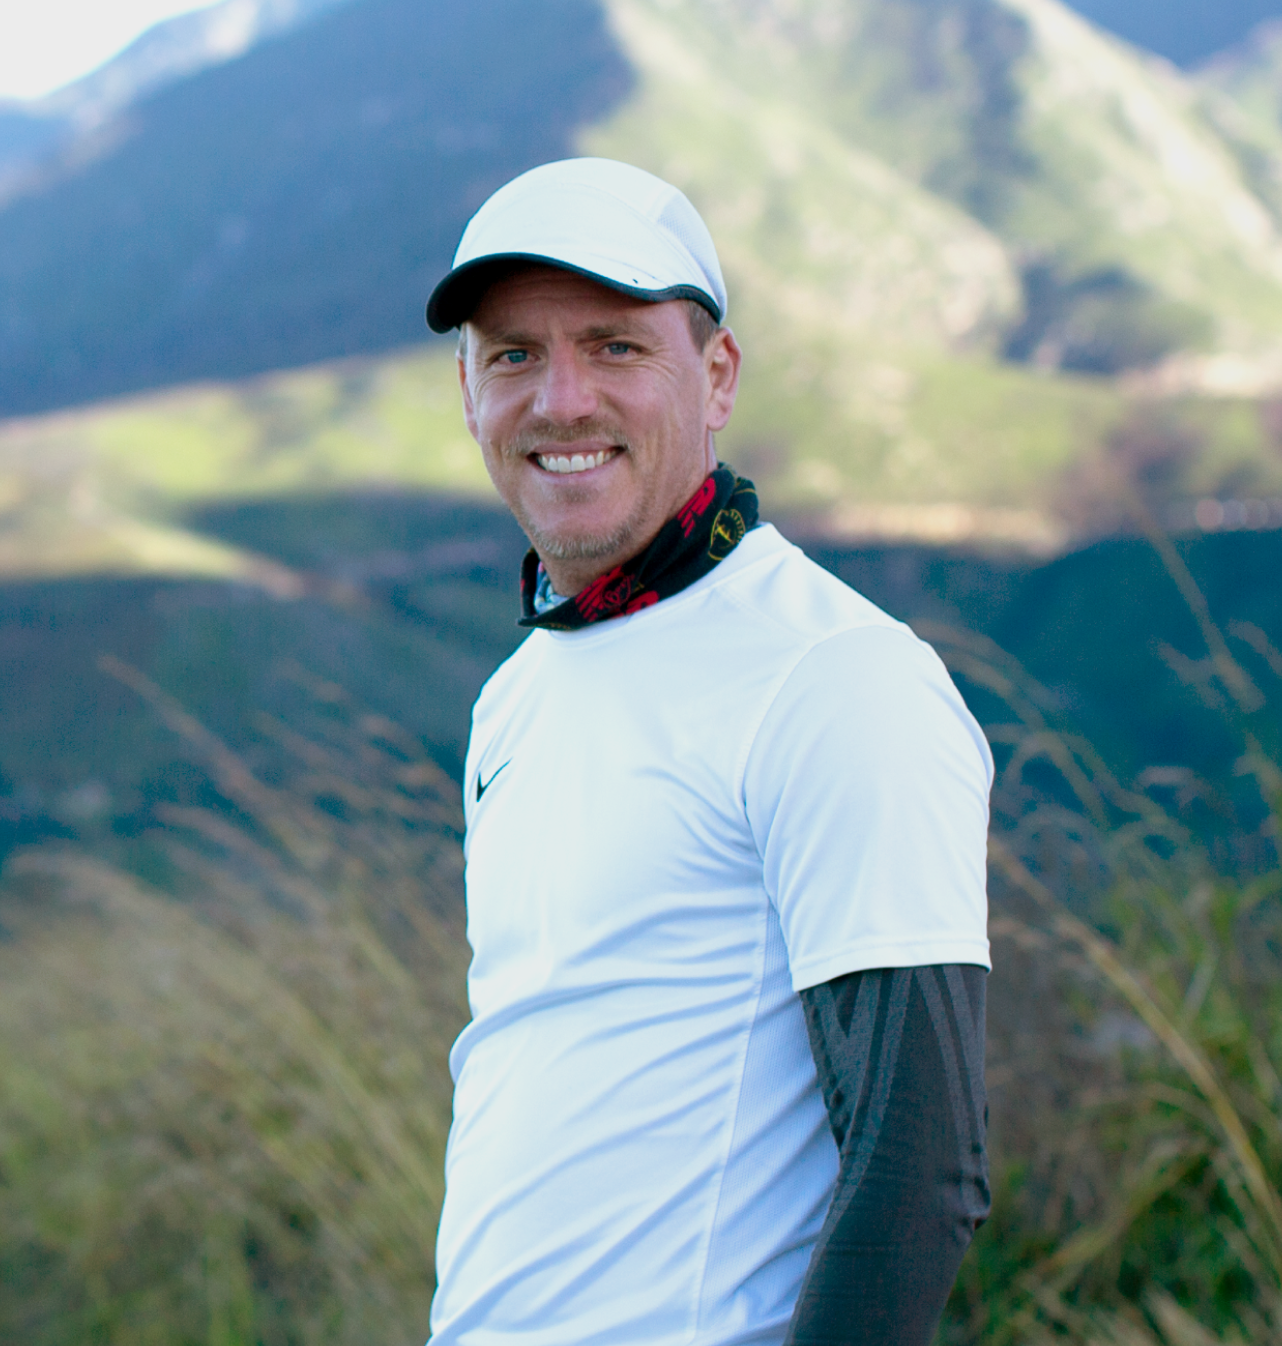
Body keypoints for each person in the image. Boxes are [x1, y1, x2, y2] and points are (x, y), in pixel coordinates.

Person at [422, 158, 995, 1346]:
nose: (560, 398)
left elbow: (920, 1167)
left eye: (614, 345)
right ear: (466, 389)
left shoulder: (835, 678)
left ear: (716, 373)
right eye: (513, 353)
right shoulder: (516, 694)